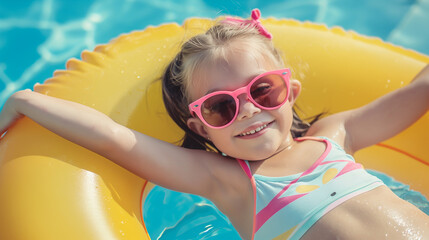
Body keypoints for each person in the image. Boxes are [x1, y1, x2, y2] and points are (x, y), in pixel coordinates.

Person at [1, 9, 428, 240]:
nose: (247, 111)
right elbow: (114, 139)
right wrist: (26, 100)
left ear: (291, 91)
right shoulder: (229, 182)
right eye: (221, 107)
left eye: (262, 91)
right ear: (202, 128)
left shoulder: (337, 135)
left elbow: (416, 94)